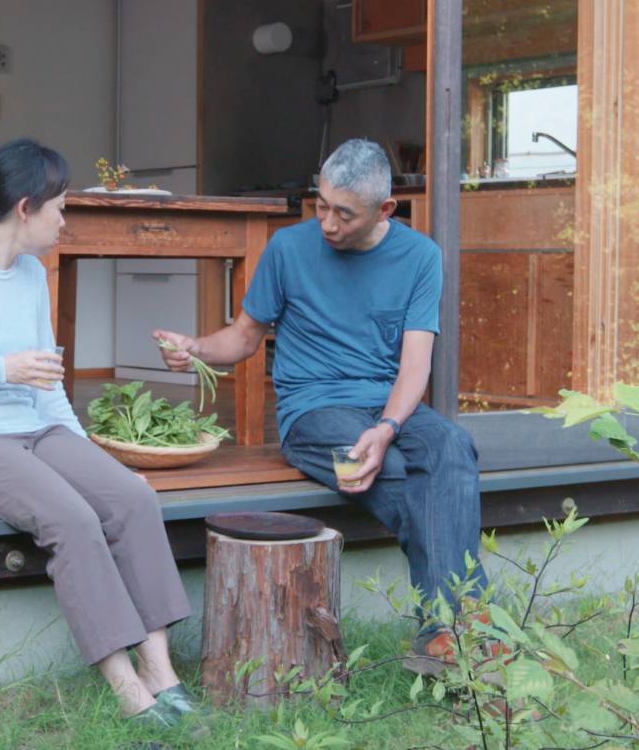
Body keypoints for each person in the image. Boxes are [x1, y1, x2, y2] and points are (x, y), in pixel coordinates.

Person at [0, 138, 196, 726]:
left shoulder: (31, 273)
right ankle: (128, 691)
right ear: (25, 208)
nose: (65, 220)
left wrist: (86, 454)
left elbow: (47, 382)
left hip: (33, 427)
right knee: (73, 519)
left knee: (131, 498)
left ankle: (162, 670)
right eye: (60, 207)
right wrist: (1, 370)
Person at [155, 138, 487, 676]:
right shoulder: (288, 250)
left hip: (386, 404)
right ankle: (464, 631)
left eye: (343, 214)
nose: (327, 223)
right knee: (410, 477)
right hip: (314, 411)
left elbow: (415, 367)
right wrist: (196, 350)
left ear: (385, 210)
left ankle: (447, 633)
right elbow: (242, 337)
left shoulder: (421, 257)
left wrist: (386, 426)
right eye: (321, 206)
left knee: (450, 444)